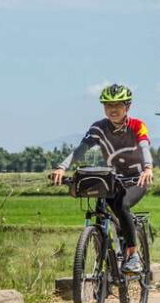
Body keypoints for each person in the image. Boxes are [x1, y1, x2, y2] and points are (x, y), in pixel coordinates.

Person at [50, 84, 154, 273]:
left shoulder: (137, 125)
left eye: (118, 105)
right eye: (108, 105)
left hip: (136, 180)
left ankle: (133, 255)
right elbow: (81, 149)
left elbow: (144, 146)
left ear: (127, 106)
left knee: (121, 206)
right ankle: (105, 267)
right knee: (102, 208)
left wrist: (147, 168)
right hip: (112, 180)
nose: (113, 109)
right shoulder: (99, 127)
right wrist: (62, 167)